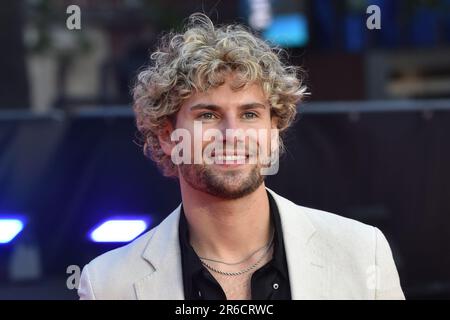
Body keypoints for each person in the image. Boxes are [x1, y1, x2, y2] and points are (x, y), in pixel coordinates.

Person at [78, 13, 404, 300]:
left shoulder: (362, 253)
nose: (232, 134)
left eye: (250, 114)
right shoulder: (108, 284)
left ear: (274, 129)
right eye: (207, 115)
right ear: (167, 136)